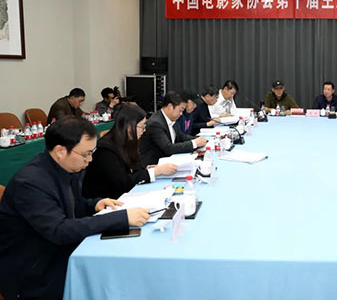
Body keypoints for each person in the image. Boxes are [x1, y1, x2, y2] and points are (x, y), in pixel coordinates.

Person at [0, 116, 149, 300]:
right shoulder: (30, 183)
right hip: (34, 270)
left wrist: (94, 204)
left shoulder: (66, 168)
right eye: (86, 154)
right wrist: (121, 218)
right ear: (60, 151)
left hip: (57, 252)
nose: (90, 159)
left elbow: (71, 205)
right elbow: (59, 230)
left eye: (92, 152)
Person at [82, 104, 177, 200]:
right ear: (129, 127)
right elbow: (123, 183)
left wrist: (147, 170)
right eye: (142, 126)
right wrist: (154, 172)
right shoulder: (106, 151)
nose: (144, 130)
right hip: (105, 201)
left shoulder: (128, 142)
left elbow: (133, 170)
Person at [139, 92, 208, 166]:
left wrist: (199, 139)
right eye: (180, 110)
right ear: (170, 106)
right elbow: (168, 148)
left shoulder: (171, 119)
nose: (181, 114)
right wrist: (194, 143)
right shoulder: (155, 123)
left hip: (168, 161)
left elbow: (182, 137)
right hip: (154, 165)